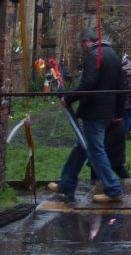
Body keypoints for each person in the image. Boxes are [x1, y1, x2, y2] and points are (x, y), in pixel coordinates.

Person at [47, 29, 125, 204]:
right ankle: (67, 184)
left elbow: (88, 83)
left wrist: (68, 98)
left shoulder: (93, 55)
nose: (82, 48)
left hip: (95, 110)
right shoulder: (113, 55)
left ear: (88, 41)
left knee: (95, 150)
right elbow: (122, 86)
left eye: (82, 44)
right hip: (107, 110)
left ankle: (113, 189)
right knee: (81, 146)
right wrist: (118, 112)